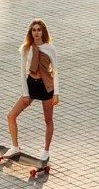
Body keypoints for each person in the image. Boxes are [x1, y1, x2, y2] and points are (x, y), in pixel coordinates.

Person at [4, 19, 59, 162]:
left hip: (46, 87)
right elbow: (22, 72)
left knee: (48, 120)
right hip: (31, 85)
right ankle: (15, 147)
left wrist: (56, 93)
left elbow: (56, 71)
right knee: (11, 115)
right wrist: (26, 94)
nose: (36, 32)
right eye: (33, 30)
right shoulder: (26, 48)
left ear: (43, 32)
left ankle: (46, 150)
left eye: (38, 30)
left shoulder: (50, 48)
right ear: (31, 32)